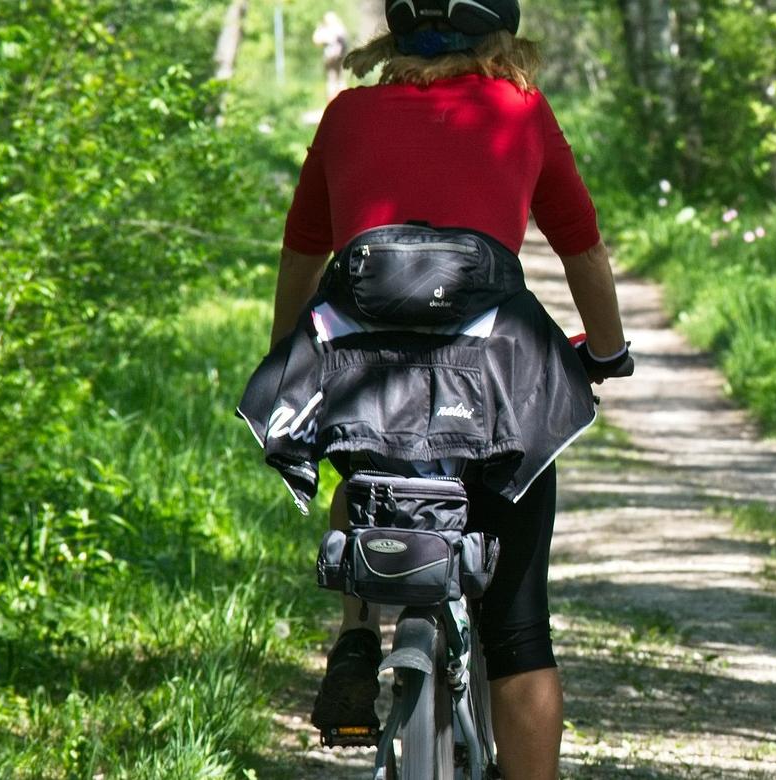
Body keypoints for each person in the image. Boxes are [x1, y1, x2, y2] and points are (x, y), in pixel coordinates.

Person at [267, 2, 629, 777]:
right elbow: (583, 250)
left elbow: (303, 254)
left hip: (364, 380)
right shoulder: (519, 110)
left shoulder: (347, 114)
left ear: (392, 36)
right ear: (502, 36)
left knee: (357, 459)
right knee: (520, 633)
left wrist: (284, 360)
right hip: (493, 389)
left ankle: (359, 630)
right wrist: (608, 351)